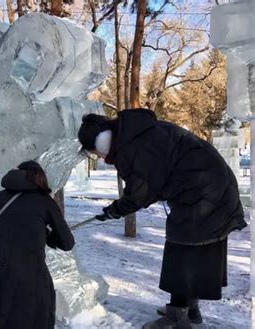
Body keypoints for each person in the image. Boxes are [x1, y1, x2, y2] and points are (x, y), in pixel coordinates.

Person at [77, 109, 247, 329]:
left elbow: (141, 192)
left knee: (181, 252)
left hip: (205, 194)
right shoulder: (134, 134)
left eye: (94, 152)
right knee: (194, 251)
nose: (98, 157)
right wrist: (116, 209)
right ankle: (190, 309)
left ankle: (178, 318)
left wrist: (115, 210)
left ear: (100, 142)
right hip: (211, 189)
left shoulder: (133, 146)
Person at [0, 160, 75, 329]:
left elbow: (9, 228)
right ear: (39, 178)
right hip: (26, 280)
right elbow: (67, 243)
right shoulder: (45, 202)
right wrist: (47, 235)